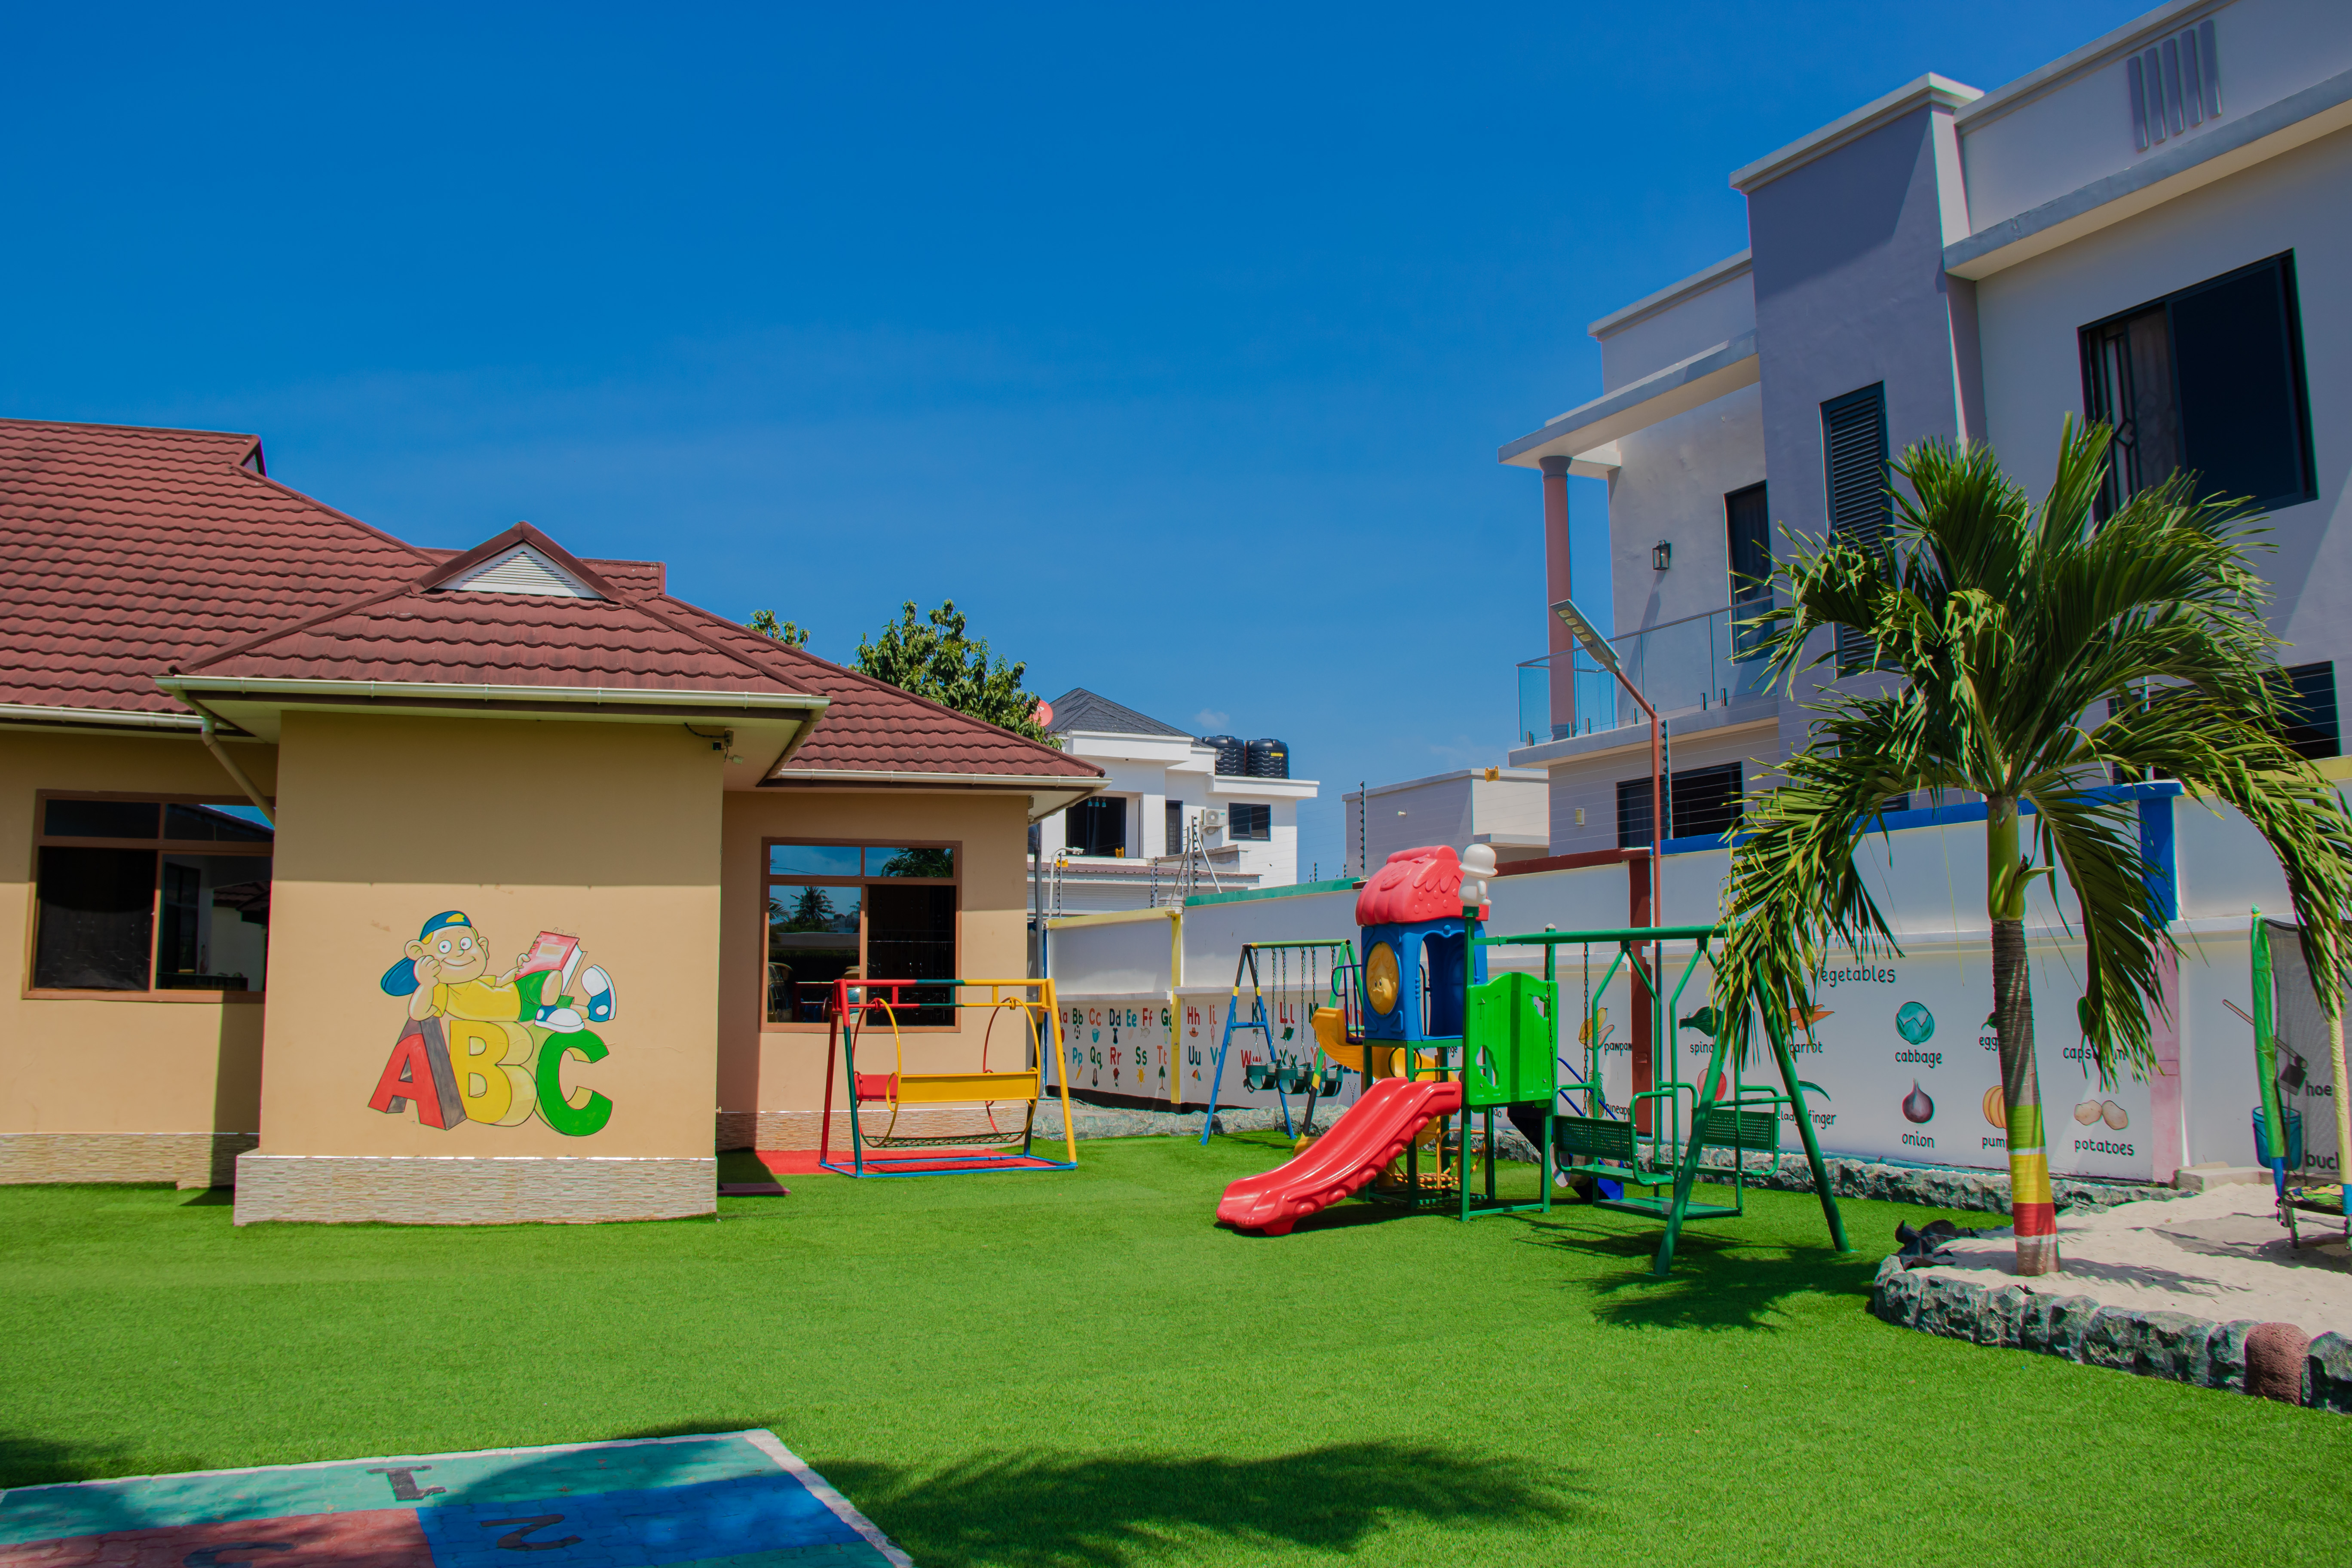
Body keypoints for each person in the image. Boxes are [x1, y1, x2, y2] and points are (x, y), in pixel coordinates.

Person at [378, 911, 616, 1032]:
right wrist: (427, 984)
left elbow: (501, 981)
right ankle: (547, 1013)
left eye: (465, 945)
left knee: (553, 981)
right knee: (550, 978)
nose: (459, 954)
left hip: (516, 994)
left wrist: (520, 968)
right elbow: (418, 1014)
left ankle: (597, 1012)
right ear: (420, 953)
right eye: (444, 947)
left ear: (483, 946)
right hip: (518, 1007)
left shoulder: (476, 982)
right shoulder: (440, 989)